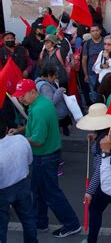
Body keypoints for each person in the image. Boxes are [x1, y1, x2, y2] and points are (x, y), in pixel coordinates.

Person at [9, 79, 81, 238]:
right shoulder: (42, 103)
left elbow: (38, 140)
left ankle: (71, 224)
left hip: (44, 156)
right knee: (38, 191)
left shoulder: (38, 110)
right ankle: (40, 221)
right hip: (48, 155)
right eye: (19, 96)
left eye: (23, 95)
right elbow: (34, 127)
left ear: (33, 92)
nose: (20, 99)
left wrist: (19, 139)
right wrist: (20, 130)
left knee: (51, 193)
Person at [76, 104, 111, 243]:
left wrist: (90, 191)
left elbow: (100, 169)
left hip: (106, 179)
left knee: (95, 210)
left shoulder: (103, 141)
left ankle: (91, 240)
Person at [0, 117, 38, 243]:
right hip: (23, 183)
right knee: (28, 220)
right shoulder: (20, 140)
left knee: (1, 227)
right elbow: (29, 160)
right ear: (6, 129)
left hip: (3, 190)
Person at [35, 64, 71, 136]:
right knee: (54, 135)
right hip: (55, 116)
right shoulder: (45, 86)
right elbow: (50, 102)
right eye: (55, 75)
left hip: (56, 115)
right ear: (48, 75)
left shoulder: (46, 83)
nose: (56, 76)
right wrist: (59, 91)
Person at [82, 23, 104, 103]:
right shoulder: (87, 44)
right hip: (92, 73)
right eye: (93, 31)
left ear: (100, 31)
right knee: (95, 94)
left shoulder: (106, 42)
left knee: (105, 93)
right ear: (90, 32)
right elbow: (84, 60)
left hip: (104, 72)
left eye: (97, 30)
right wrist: (86, 74)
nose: (95, 32)